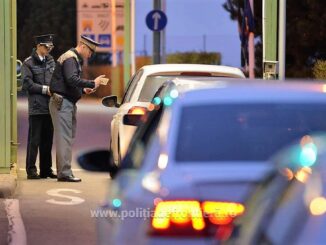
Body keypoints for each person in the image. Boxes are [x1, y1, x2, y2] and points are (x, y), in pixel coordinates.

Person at [49, 35, 104, 182]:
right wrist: (92, 83)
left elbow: (68, 83)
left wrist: (82, 91)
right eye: (90, 52)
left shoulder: (71, 58)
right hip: (62, 103)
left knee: (67, 138)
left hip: (66, 102)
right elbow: (71, 79)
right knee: (65, 139)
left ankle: (64, 171)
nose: (90, 55)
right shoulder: (70, 58)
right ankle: (65, 173)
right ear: (84, 46)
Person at [22, 34, 57, 179]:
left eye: (50, 47)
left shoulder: (51, 61)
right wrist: (45, 89)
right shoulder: (28, 63)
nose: (48, 49)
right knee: (34, 140)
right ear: (38, 46)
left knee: (47, 140)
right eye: (46, 46)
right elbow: (27, 84)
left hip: (50, 107)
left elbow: (55, 79)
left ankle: (46, 169)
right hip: (36, 108)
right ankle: (31, 170)